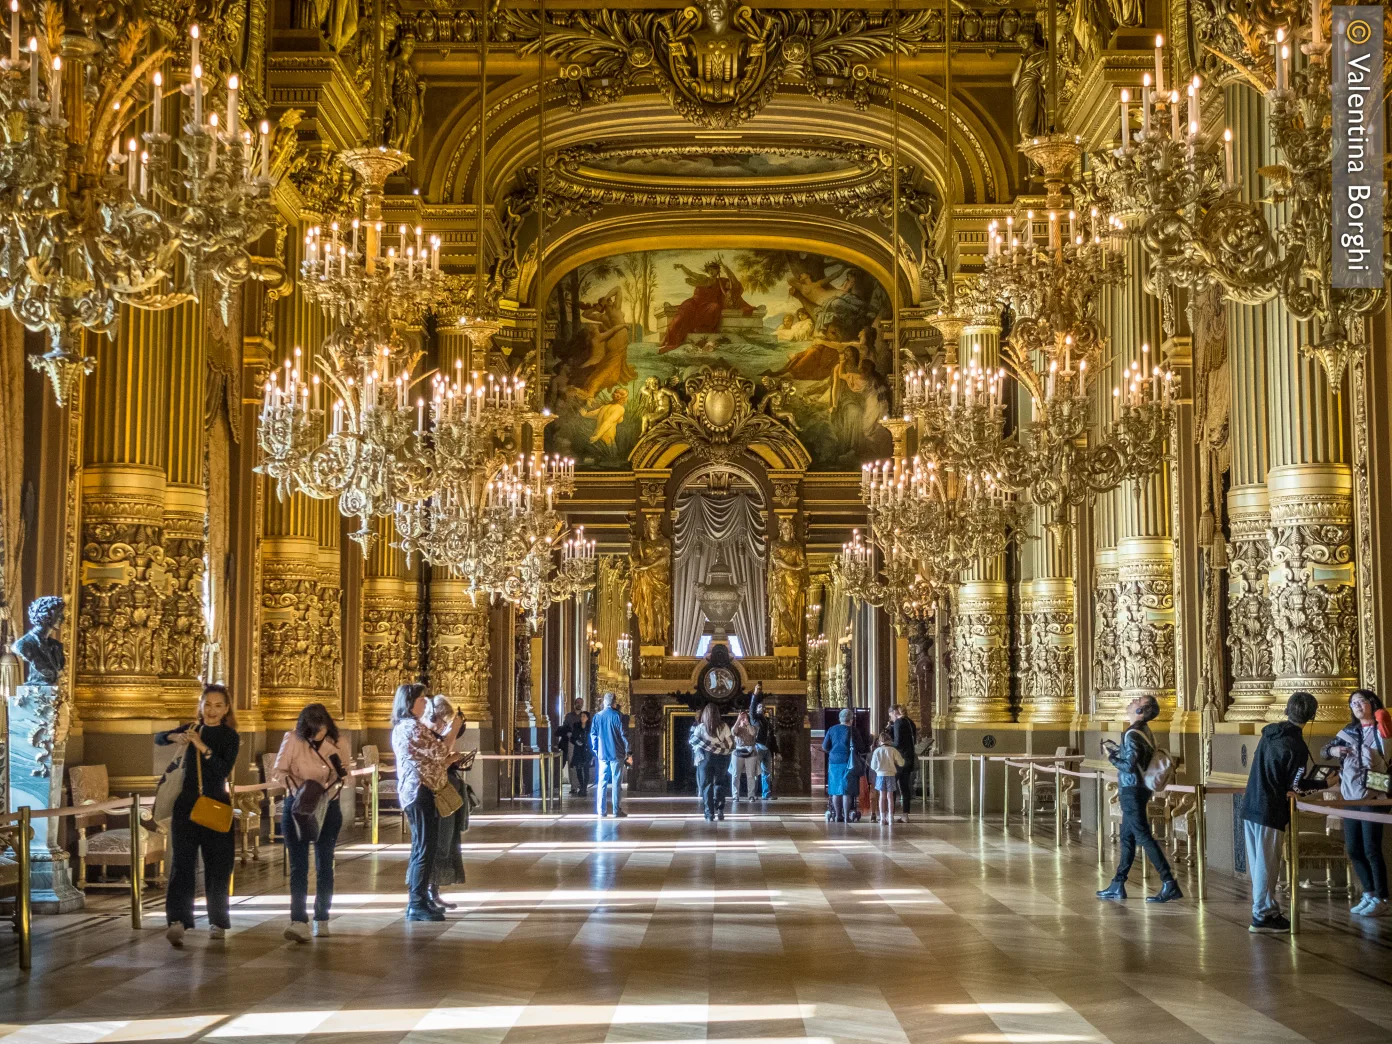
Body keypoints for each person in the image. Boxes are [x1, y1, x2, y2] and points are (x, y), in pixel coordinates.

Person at [158, 683, 240, 948]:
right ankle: (178, 921)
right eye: (207, 705)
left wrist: (202, 746)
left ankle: (217, 921)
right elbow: (159, 737)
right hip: (186, 806)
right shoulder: (192, 728)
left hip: (215, 804)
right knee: (182, 864)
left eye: (218, 705)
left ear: (226, 708)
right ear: (201, 706)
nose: (212, 710)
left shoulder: (230, 736)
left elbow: (222, 769)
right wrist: (175, 737)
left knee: (217, 866)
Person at [1237, 691, 1320, 933]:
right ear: (1311, 716)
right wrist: (1327, 783)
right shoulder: (1296, 745)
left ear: (1287, 710)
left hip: (1251, 805)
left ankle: (1266, 909)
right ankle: (1262, 915)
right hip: (1270, 811)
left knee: (1258, 864)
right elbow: (1296, 785)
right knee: (1267, 865)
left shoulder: (1270, 735)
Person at [272, 702, 348, 943]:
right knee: (298, 866)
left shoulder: (339, 743)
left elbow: (344, 774)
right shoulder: (293, 739)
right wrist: (300, 790)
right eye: (312, 731)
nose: (316, 735)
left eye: (320, 730)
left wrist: (328, 789)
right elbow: (279, 771)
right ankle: (298, 920)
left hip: (327, 808)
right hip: (297, 807)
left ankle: (322, 917)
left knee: (325, 863)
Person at [1096, 695, 1182, 903]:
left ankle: (1169, 882)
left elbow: (1129, 766)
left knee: (1143, 836)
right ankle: (1118, 883)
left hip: (1132, 790)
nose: (1132, 700)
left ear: (1141, 711)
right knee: (1127, 837)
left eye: (1137, 700)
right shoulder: (1143, 731)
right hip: (1139, 789)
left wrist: (1110, 756)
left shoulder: (1133, 733)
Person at [391, 681, 460, 921]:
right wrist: (455, 728)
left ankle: (421, 898)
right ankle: (416, 902)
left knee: (424, 847)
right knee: (423, 848)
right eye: (422, 699)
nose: (425, 703)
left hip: (423, 791)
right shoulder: (411, 727)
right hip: (419, 792)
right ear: (409, 703)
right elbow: (441, 751)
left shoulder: (411, 726)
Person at [1322, 689, 1390, 918]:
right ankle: (1369, 893)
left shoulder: (1384, 729)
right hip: (1351, 796)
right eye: (1353, 703)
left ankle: (1382, 898)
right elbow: (1325, 751)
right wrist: (1335, 749)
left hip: (1375, 795)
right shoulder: (1349, 731)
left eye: (1360, 701)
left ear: (1371, 703)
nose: (1357, 706)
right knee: (1353, 848)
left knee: (1372, 848)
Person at [428, 695, 473, 912]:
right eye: (443, 722)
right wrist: (450, 758)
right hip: (435, 798)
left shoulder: (435, 735)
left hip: (446, 795)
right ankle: (427, 893)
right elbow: (434, 764)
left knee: (445, 844)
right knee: (436, 845)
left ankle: (433, 891)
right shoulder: (424, 735)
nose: (444, 727)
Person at [690, 702, 735, 821]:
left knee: (707, 785)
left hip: (705, 758)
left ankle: (709, 814)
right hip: (721, 758)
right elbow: (730, 744)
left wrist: (707, 746)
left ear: (705, 714)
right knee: (719, 783)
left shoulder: (700, 727)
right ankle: (720, 809)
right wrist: (719, 747)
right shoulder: (724, 726)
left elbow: (693, 741)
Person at [590, 691, 631, 817]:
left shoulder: (598, 716)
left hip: (602, 754)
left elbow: (593, 735)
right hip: (617, 753)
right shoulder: (618, 716)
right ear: (614, 703)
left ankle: (601, 811)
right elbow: (624, 735)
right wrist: (628, 751)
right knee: (616, 782)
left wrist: (596, 750)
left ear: (604, 702)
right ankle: (616, 810)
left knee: (601, 782)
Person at [822, 707, 862, 823]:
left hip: (834, 762)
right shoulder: (853, 731)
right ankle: (846, 817)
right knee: (847, 790)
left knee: (835, 790)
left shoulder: (832, 729)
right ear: (851, 719)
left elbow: (825, 747)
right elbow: (861, 747)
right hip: (849, 762)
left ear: (840, 719)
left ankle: (838, 815)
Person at [869, 729, 905, 825]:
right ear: (889, 740)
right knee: (890, 797)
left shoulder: (877, 751)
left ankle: (882, 818)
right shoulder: (893, 750)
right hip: (891, 776)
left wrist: (878, 769)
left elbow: (873, 766)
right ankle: (890, 817)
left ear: (879, 741)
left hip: (880, 776)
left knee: (882, 797)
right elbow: (901, 763)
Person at [889, 704, 918, 821]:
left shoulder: (898, 723)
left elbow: (898, 743)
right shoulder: (911, 722)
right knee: (905, 787)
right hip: (910, 757)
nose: (890, 718)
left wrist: (888, 743)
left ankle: (890, 813)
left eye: (890, 715)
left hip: (900, 758)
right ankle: (905, 815)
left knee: (892, 785)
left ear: (895, 712)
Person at [749, 693, 780, 800]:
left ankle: (766, 794)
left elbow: (773, 738)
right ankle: (752, 794)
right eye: (759, 707)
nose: (762, 708)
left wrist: (777, 751)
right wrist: (755, 696)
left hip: (767, 750)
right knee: (754, 772)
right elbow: (752, 710)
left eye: (763, 707)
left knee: (766, 773)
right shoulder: (755, 720)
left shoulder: (767, 722)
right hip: (758, 747)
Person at [729, 709, 758, 804]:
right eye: (742, 717)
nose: (743, 719)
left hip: (751, 753)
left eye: (745, 717)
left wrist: (747, 723)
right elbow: (733, 732)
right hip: (738, 753)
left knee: (750, 775)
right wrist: (738, 720)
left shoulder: (752, 727)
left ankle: (751, 795)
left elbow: (753, 733)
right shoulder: (738, 727)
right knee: (736, 775)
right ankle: (735, 795)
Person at [560, 696, 584, 794]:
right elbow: (565, 727)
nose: (579, 704)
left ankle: (582, 785)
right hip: (572, 742)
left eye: (581, 703)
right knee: (572, 763)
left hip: (582, 742)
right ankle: (574, 786)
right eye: (577, 702)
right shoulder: (569, 716)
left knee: (581, 763)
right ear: (574, 704)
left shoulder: (584, 716)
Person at [572, 710, 595, 797]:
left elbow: (593, 738)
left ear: (587, 718)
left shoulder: (590, 727)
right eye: (581, 716)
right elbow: (573, 738)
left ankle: (584, 788)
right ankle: (581, 785)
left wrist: (593, 752)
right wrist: (576, 741)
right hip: (578, 750)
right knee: (578, 769)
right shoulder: (576, 726)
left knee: (586, 769)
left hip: (587, 750)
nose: (582, 718)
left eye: (584, 716)